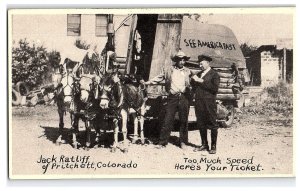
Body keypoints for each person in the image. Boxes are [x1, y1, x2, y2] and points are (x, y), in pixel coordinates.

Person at [144, 50, 192, 149]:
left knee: (183, 120)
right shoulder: (169, 70)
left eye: (183, 60)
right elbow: (159, 78)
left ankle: (183, 142)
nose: (182, 62)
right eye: (180, 60)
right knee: (168, 119)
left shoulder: (188, 71)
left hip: (183, 97)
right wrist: (147, 83)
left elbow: (194, 82)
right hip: (172, 97)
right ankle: (162, 142)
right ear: (176, 61)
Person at [192, 54, 220, 154]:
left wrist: (201, 81)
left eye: (202, 63)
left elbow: (214, 88)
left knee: (212, 124)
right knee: (201, 123)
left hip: (209, 103)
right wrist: (193, 80)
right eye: (199, 64)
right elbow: (195, 87)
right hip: (199, 102)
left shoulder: (214, 74)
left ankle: (213, 146)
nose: (200, 65)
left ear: (208, 63)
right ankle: (204, 144)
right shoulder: (199, 74)